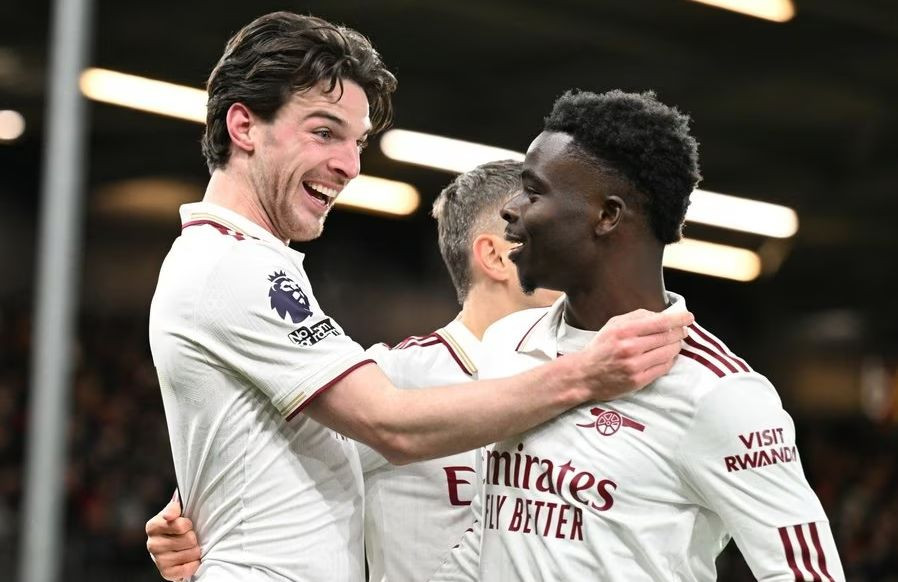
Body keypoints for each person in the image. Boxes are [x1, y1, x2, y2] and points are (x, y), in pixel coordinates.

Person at [148, 11, 692, 582]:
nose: (350, 165)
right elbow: (389, 423)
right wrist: (587, 375)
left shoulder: (239, 262)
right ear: (243, 126)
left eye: (358, 141)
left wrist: (197, 503)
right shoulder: (235, 266)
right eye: (324, 132)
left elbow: (289, 442)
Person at [432, 89, 845, 581]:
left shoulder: (717, 392)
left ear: (607, 216)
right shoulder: (507, 342)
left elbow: (808, 572)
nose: (511, 208)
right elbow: (490, 533)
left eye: (534, 191)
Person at [146, 160, 561, 582]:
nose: (578, 256)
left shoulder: (582, 384)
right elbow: (254, 467)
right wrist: (185, 519)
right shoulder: (391, 381)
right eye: (555, 237)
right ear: (495, 256)